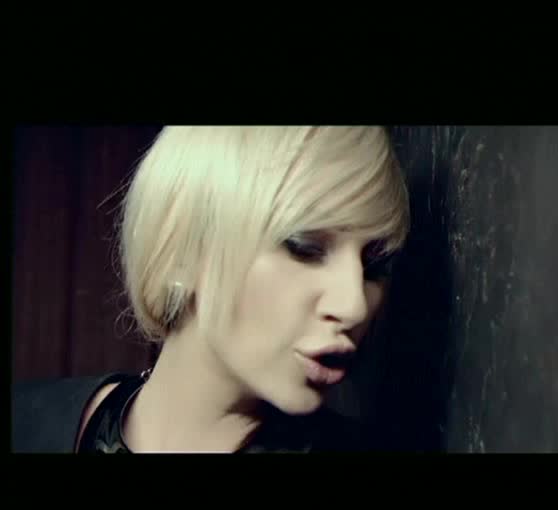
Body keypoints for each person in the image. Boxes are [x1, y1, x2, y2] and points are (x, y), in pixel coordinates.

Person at [12, 126, 409, 453]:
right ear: (182, 248)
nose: (355, 305)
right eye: (304, 246)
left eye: (375, 266)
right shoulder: (26, 422)